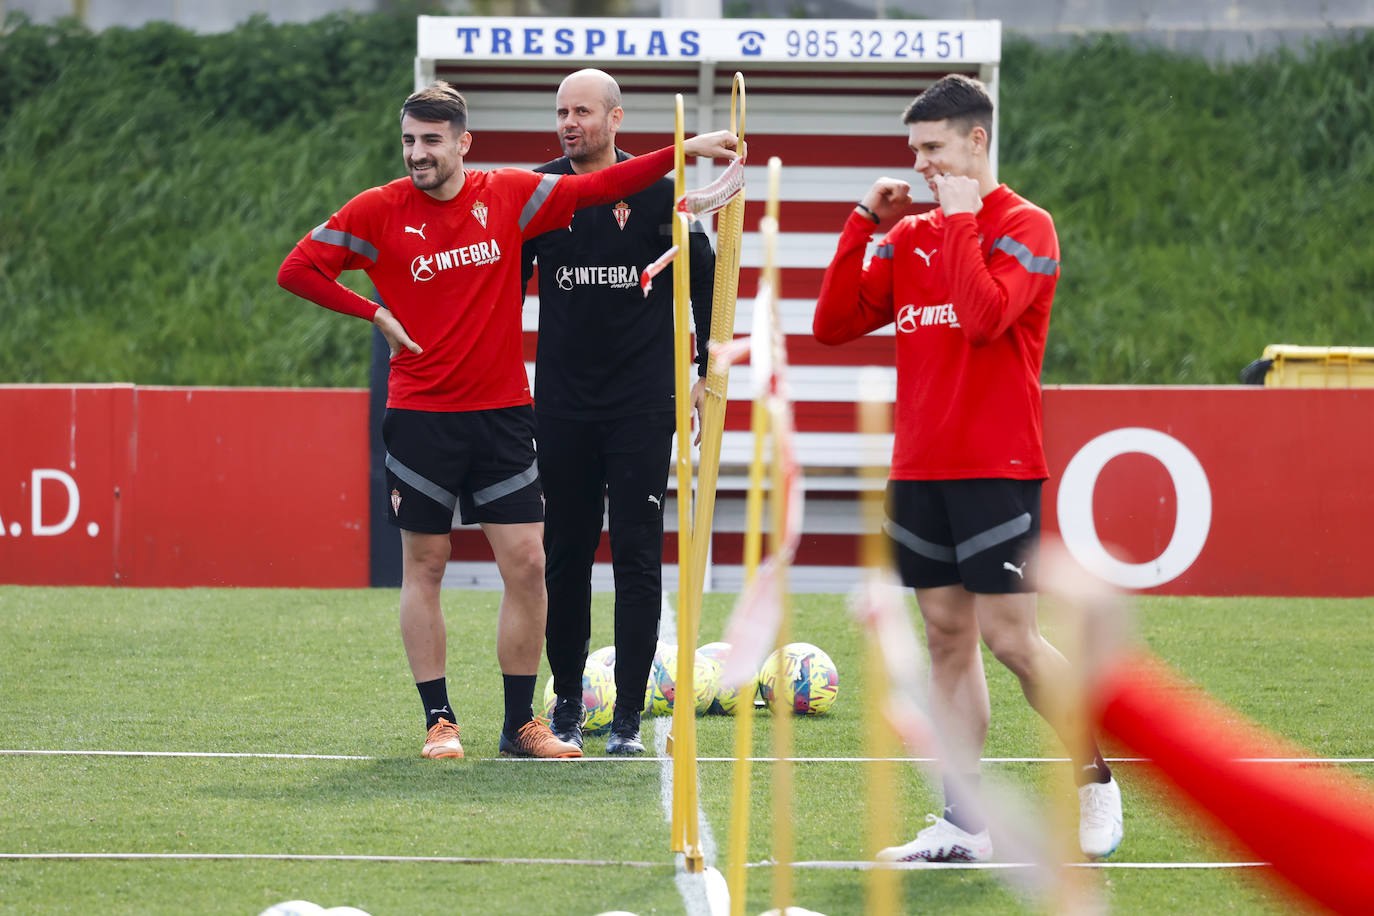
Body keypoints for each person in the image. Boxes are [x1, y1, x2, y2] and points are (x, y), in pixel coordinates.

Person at [277, 81, 738, 760]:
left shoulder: (512, 194)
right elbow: (298, 268)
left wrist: (687, 150)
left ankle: (534, 723)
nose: (417, 153)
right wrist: (371, 312)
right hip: (433, 414)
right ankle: (442, 720)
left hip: (515, 415)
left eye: (431, 140)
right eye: (409, 140)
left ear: (464, 143)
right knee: (429, 564)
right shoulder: (380, 209)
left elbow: (615, 190)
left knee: (532, 562)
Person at [812, 74, 1124, 860]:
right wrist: (863, 224)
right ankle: (964, 822)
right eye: (914, 150)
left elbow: (984, 320)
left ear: (976, 142)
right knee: (945, 638)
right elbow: (833, 323)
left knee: (1012, 640)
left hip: (997, 465)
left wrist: (957, 221)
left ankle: (1094, 782)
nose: (918, 165)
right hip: (918, 469)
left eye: (933, 148)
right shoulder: (912, 236)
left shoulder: (1028, 226)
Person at [521, 69, 716, 755]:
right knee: (564, 554)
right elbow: (501, 289)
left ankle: (629, 719)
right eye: (560, 111)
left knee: (636, 555)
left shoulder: (662, 193)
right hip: (562, 406)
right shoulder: (541, 193)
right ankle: (569, 705)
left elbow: (707, 278)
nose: (568, 122)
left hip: (641, 405)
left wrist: (703, 366)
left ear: (616, 119)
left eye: (581, 111)